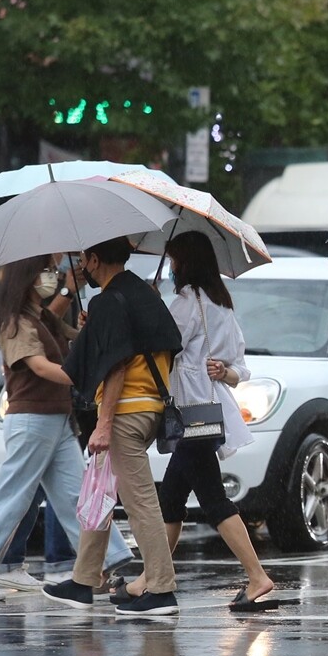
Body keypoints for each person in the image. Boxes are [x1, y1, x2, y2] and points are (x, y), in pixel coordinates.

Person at [0, 255, 134, 601]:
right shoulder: (16, 321)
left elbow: (74, 336)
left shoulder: (41, 316)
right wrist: (76, 376)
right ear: (28, 278)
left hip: (57, 419)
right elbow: (39, 365)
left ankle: (104, 565)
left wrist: (87, 321)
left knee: (78, 496)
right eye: (45, 271)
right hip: (33, 418)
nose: (50, 276)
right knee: (12, 495)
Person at [113, 232, 277, 613]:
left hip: (191, 414)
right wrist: (223, 372)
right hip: (207, 410)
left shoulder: (187, 304)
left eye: (173, 260)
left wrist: (151, 306)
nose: (170, 267)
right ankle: (149, 577)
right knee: (170, 500)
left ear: (184, 262)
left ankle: (257, 576)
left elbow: (161, 344)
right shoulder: (221, 303)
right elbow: (240, 366)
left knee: (213, 500)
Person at [45, 236, 183, 616]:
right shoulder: (141, 293)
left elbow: (117, 364)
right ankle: (84, 579)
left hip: (124, 414)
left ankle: (162, 589)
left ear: (93, 258)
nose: (83, 268)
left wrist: (104, 425)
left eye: (85, 262)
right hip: (151, 407)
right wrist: (96, 329)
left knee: (140, 503)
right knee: (100, 495)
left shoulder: (109, 300)